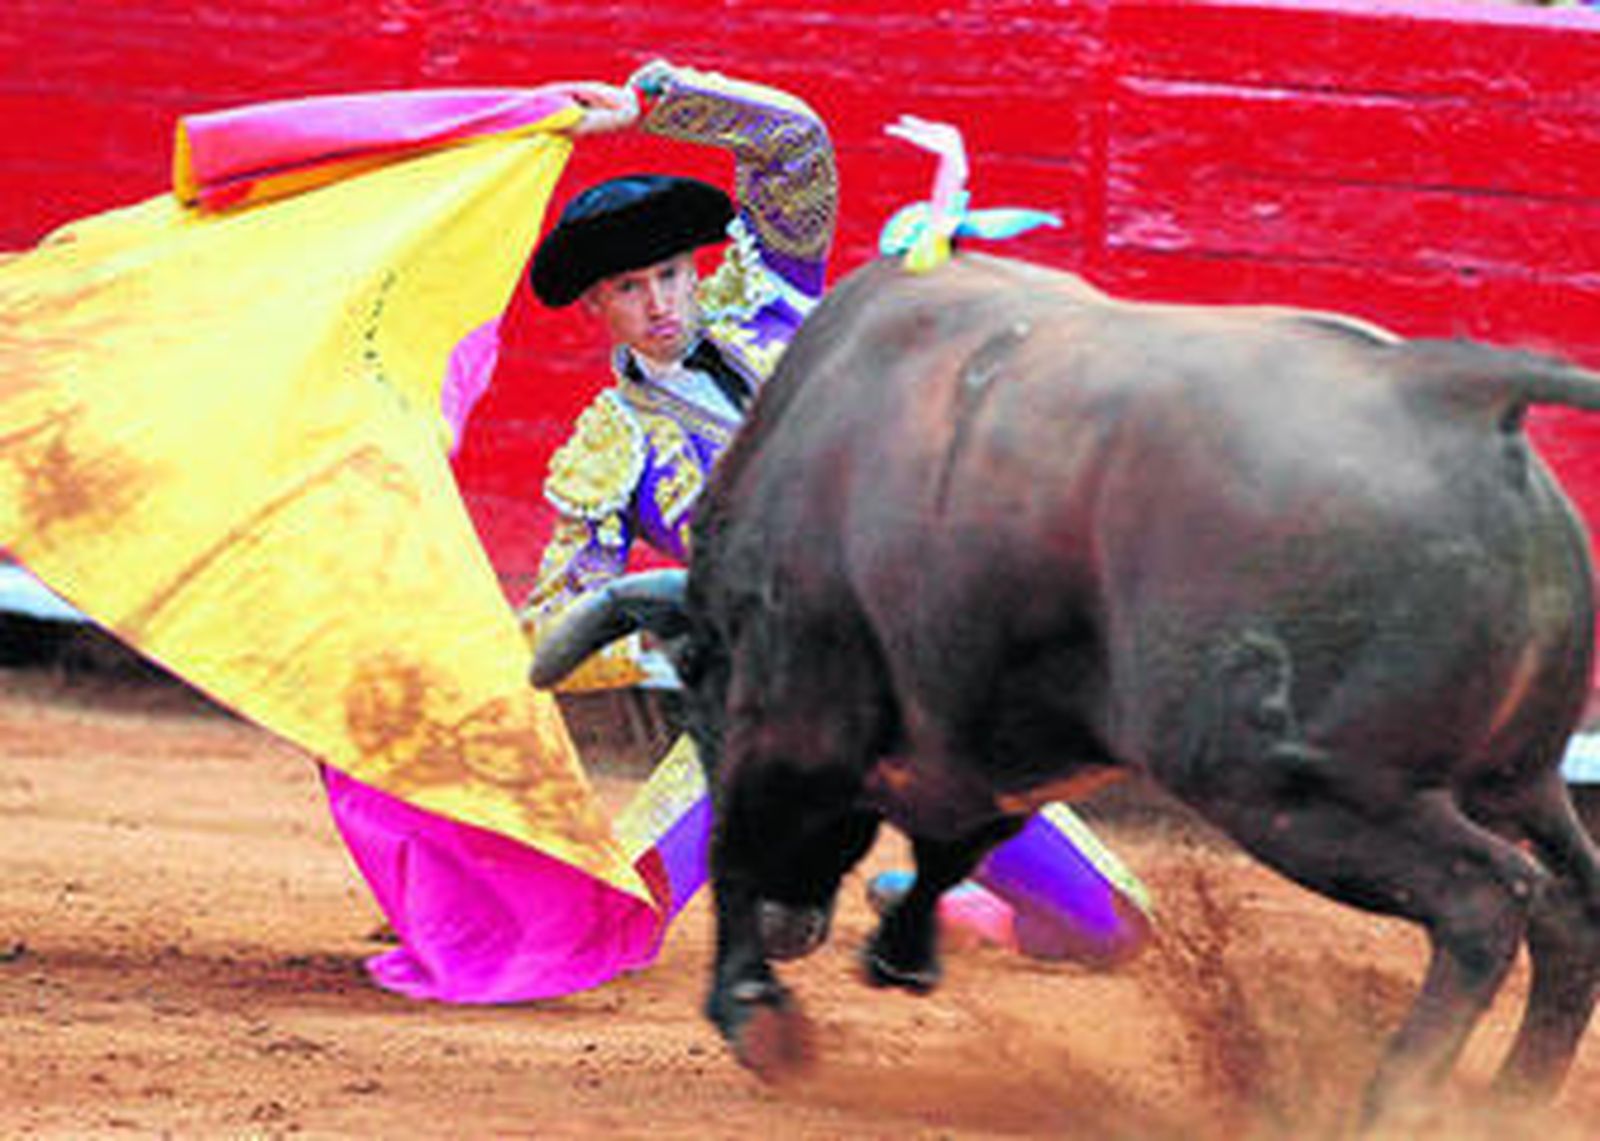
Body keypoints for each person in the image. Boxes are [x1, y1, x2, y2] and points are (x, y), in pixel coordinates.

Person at [519, 61, 1152, 965]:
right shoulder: (606, 447)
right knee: (601, 927)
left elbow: (794, 148)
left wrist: (651, 107)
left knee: (1113, 931)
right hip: (764, 710)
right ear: (595, 304)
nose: (658, 303)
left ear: (695, 268)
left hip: (915, 681)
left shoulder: (772, 302)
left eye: (667, 273)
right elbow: (553, 626)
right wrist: (673, 634)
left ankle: (947, 900)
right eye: (628, 288)